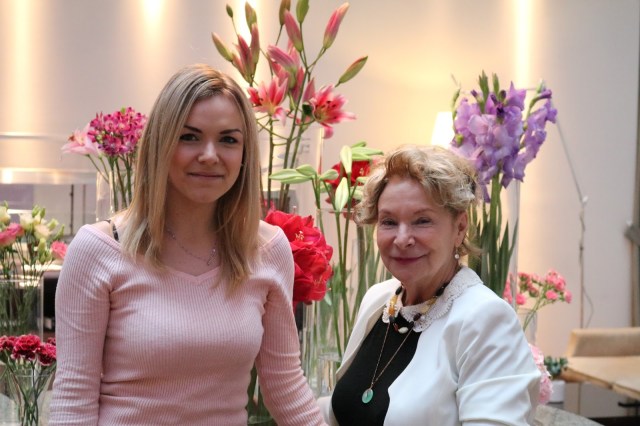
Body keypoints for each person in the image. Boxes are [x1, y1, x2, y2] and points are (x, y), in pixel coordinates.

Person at [49, 63, 326, 425]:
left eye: (228, 140)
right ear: (160, 144)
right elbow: (73, 400)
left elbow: (286, 387)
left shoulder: (268, 250)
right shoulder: (99, 251)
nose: (209, 155)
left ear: (245, 155)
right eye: (189, 137)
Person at [319, 145, 541, 425]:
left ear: (460, 228)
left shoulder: (485, 319)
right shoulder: (378, 300)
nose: (402, 239)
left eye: (422, 221)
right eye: (389, 222)